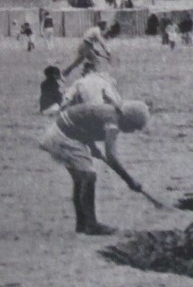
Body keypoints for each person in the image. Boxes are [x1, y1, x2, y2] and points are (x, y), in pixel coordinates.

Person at [39, 97, 152, 235]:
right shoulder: (112, 122)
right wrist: (129, 180)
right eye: (134, 127)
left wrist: (92, 146)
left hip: (61, 135)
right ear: (128, 120)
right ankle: (91, 225)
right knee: (88, 176)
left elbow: (84, 124)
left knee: (80, 179)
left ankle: (82, 225)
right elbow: (111, 156)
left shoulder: (109, 112)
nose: (133, 131)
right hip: (63, 137)